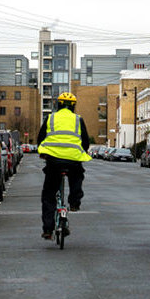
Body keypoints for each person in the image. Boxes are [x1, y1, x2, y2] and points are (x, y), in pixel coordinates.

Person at [37, 92, 91, 240]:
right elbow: (85, 141)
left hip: (53, 160)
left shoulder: (50, 118)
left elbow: (40, 138)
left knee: (49, 195)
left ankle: (48, 229)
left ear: (58, 104)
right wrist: (82, 151)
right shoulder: (78, 119)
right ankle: (74, 203)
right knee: (77, 176)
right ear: (73, 106)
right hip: (73, 159)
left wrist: (43, 153)